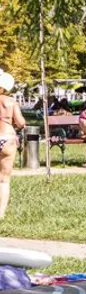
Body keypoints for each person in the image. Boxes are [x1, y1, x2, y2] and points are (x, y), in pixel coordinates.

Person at [0, 70, 24, 220]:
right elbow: (21, 122)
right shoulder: (10, 101)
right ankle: (1, 213)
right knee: (4, 179)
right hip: (7, 138)